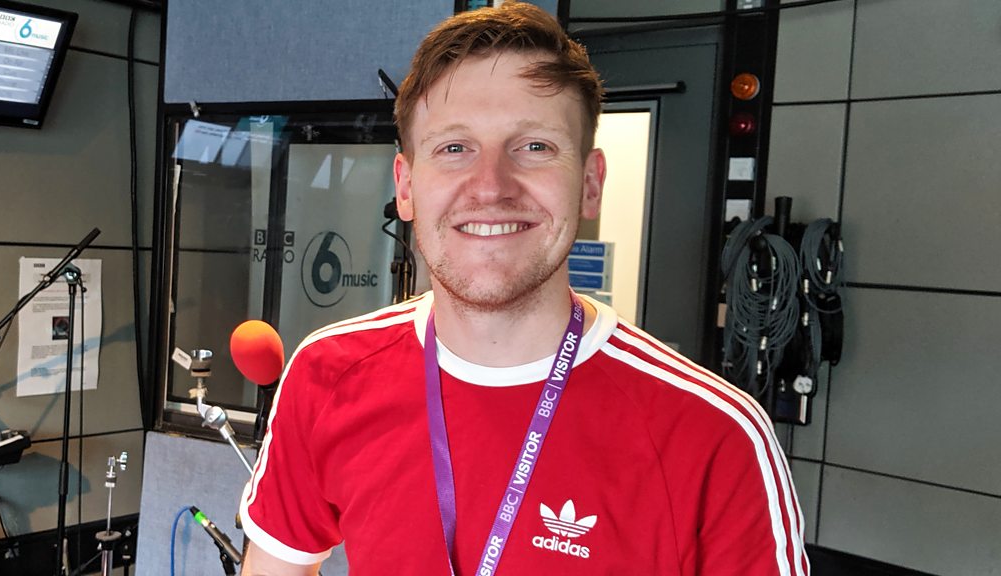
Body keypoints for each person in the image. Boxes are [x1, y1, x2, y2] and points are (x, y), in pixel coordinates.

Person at [240, 2, 808, 575]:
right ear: (406, 188)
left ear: (590, 184)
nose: (490, 186)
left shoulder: (715, 438)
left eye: (534, 146)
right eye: (454, 148)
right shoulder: (328, 375)